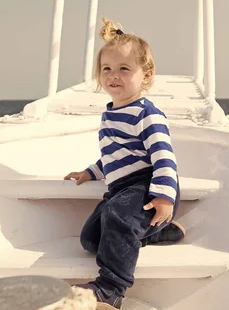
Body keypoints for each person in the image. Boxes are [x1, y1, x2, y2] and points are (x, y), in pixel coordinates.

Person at [63, 18, 185, 310]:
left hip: (146, 184)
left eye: (124, 69)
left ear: (146, 75)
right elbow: (113, 156)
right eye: (107, 69)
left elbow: (164, 157)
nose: (113, 76)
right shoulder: (110, 114)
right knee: (91, 239)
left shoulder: (147, 114)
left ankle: (110, 288)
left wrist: (164, 196)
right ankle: (160, 231)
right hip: (120, 189)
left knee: (118, 215)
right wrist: (89, 172)